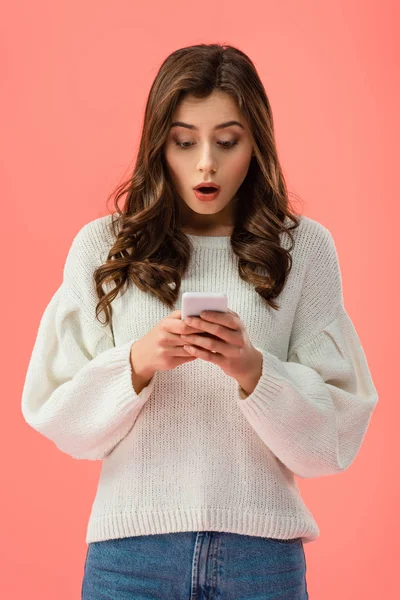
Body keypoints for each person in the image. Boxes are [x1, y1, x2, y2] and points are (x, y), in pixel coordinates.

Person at [21, 43, 379, 600]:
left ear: (255, 142)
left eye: (227, 141)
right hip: (130, 560)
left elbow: (334, 440)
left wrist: (254, 370)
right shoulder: (103, 247)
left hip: (262, 560)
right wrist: (137, 363)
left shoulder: (304, 249)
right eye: (184, 142)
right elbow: (58, 416)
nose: (206, 162)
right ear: (158, 142)